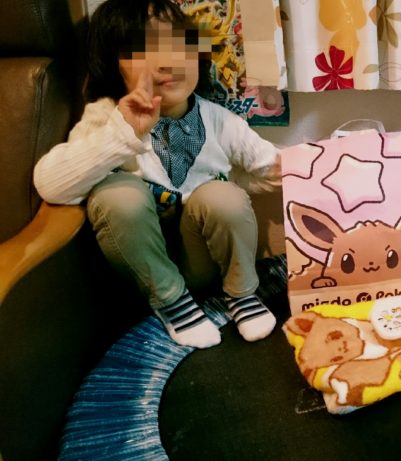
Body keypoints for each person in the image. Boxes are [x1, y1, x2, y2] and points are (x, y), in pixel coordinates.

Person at [33, 0, 281, 348]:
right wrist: (124, 134)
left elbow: (276, 168)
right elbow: (52, 184)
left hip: (205, 262)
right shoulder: (105, 116)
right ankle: (172, 303)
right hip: (143, 276)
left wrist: (233, 184)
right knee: (117, 194)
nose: (167, 61)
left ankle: (242, 294)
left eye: (178, 44)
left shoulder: (219, 119)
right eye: (143, 49)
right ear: (114, 66)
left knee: (223, 196)